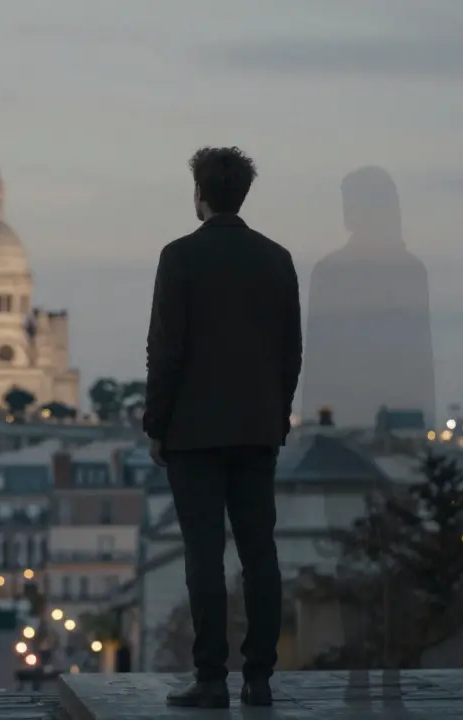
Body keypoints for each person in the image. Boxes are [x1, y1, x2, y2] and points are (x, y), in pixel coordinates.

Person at [143, 146, 302, 709]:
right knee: (261, 553)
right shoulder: (277, 258)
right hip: (257, 429)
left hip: (193, 433)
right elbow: (291, 354)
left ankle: (211, 677)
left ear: (200, 196)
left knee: (203, 556)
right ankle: (259, 677)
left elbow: (166, 351)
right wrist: (276, 417)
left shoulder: (179, 257)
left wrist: (155, 424)